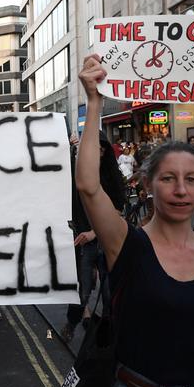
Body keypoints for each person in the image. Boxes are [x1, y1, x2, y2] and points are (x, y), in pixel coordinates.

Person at [77, 54, 194, 387]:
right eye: (168, 179)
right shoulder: (127, 244)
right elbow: (88, 185)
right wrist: (94, 102)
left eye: (191, 179)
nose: (181, 189)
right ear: (147, 185)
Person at [60, 130, 125, 343]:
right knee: (83, 291)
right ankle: (71, 324)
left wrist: (93, 232)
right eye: (92, 148)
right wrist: (67, 147)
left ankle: (107, 336)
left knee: (109, 293)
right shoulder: (76, 172)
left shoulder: (109, 176)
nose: (97, 152)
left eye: (101, 149)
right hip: (84, 243)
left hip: (106, 241)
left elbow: (118, 209)